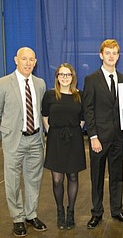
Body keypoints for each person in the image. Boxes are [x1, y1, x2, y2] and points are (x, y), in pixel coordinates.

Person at [83, 39, 123, 229]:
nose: (111, 56)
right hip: (99, 139)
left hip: (119, 138)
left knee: (117, 176)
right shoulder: (91, 80)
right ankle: (96, 213)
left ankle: (117, 210)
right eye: (108, 53)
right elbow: (88, 110)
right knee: (97, 177)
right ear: (101, 55)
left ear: (118, 56)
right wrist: (93, 136)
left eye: (115, 53)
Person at [0, 47, 47, 237]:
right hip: (14, 140)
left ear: (35, 62)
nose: (28, 63)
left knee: (34, 180)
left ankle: (31, 214)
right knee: (12, 181)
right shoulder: (3, 84)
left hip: (36, 139)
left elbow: (42, 111)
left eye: (31, 60)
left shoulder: (40, 83)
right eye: (24, 59)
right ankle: (17, 218)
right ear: (15, 60)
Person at [42, 63, 86, 230]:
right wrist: (52, 132)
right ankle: (60, 211)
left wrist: (73, 131)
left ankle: (71, 212)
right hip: (55, 139)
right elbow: (45, 116)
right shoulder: (50, 95)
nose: (65, 77)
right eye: (62, 74)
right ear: (57, 77)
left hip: (74, 139)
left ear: (73, 77)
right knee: (57, 179)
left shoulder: (79, 96)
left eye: (68, 75)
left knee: (73, 176)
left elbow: (82, 119)